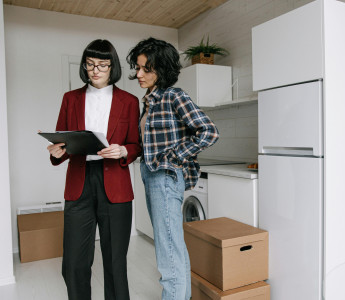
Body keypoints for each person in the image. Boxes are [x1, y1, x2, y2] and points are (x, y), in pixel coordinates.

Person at [47, 39, 141, 300]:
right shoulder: (70, 99)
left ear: (113, 67)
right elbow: (62, 141)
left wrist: (123, 150)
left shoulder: (130, 101)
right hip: (79, 183)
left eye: (102, 64)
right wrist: (58, 152)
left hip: (116, 185)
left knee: (115, 263)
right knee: (74, 264)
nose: (95, 70)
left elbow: (135, 144)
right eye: (90, 64)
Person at [126, 37, 219, 300]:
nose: (139, 74)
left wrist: (174, 157)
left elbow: (209, 132)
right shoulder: (149, 101)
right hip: (152, 174)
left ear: (162, 70)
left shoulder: (173, 96)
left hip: (164, 176)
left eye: (146, 69)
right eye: (138, 67)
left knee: (168, 248)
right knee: (170, 246)